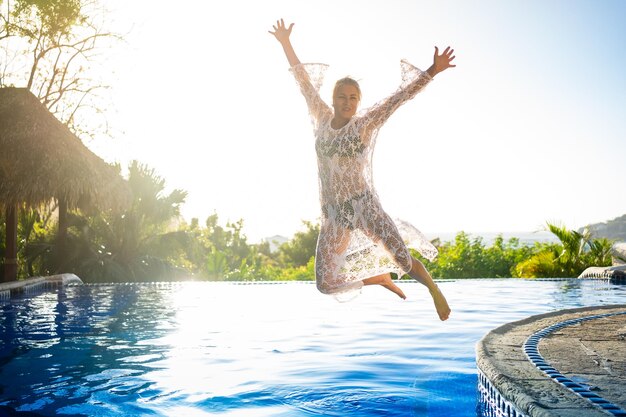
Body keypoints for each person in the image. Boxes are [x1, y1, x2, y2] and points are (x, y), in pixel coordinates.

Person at [269, 19, 454, 321]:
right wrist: (285, 43)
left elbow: (399, 98)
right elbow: (303, 81)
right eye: (341, 96)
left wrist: (433, 70)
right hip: (334, 214)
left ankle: (433, 288)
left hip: (363, 205)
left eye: (353, 97)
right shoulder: (320, 116)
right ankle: (378, 279)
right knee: (325, 284)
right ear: (332, 99)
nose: (347, 102)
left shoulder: (364, 124)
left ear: (359, 102)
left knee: (403, 259)